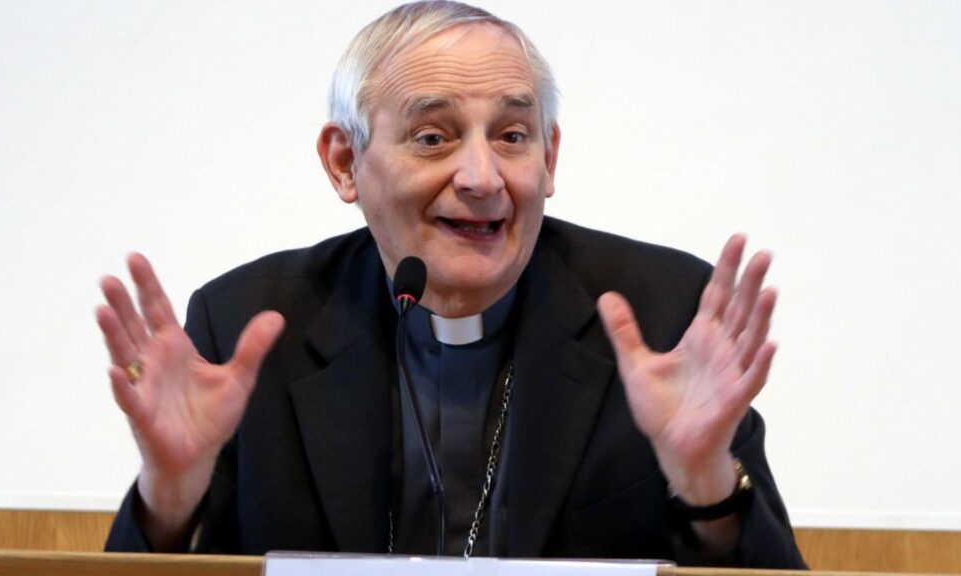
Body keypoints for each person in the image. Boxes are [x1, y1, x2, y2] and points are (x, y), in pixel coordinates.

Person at [98, 1, 805, 567]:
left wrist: (704, 481)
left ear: (550, 157)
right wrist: (170, 497)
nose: (481, 177)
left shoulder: (665, 314)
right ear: (344, 161)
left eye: (512, 135)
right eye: (433, 137)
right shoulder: (246, 325)